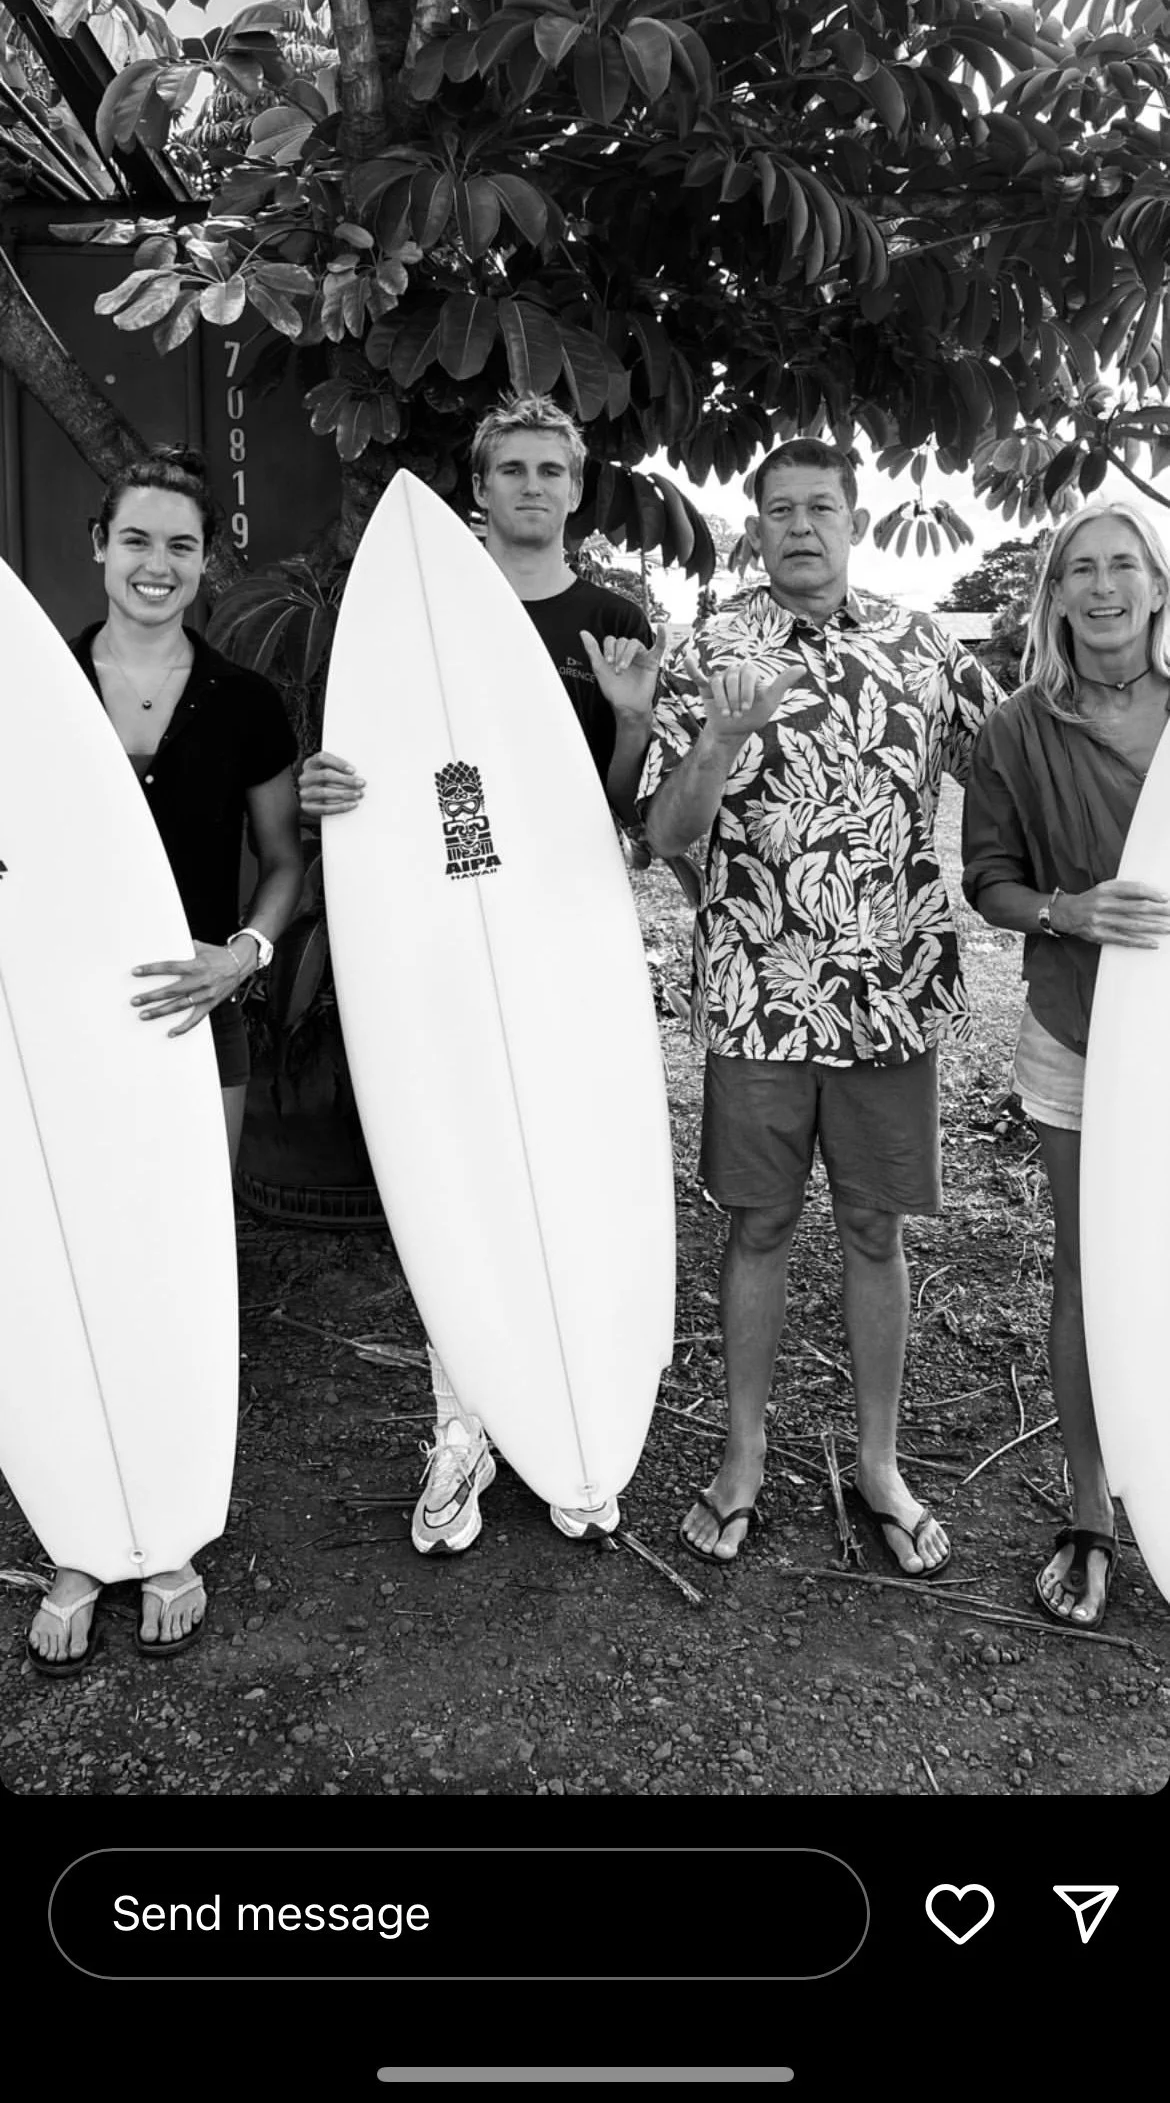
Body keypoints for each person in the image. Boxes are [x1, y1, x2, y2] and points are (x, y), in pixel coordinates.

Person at [300, 391, 666, 1552]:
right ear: (483, 484)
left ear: (577, 487)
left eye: (551, 470)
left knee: (571, 1159)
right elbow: (379, 785)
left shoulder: (610, 620)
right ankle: (462, 1425)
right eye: (512, 469)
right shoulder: (413, 615)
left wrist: (631, 725)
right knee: (453, 1163)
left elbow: (617, 819)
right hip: (436, 946)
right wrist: (328, 789)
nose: (532, 487)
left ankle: (573, 1407)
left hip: (566, 946)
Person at [639, 435, 1001, 1570]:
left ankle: (880, 1464)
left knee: (874, 1229)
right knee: (757, 1224)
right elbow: (666, 833)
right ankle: (742, 1453)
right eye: (781, 510)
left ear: (855, 520)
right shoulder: (711, 650)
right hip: (758, 992)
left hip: (890, 992)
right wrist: (720, 738)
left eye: (822, 508)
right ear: (756, 528)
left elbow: (1013, 767)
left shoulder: (923, 647)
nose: (802, 526)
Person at [26, 447, 303, 1673]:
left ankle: (172, 1525)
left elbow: (284, 864)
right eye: (136, 539)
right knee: (61, 1257)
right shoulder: (35, 689)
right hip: (52, 1023)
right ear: (100, 545)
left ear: (205, 563)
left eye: (181, 546)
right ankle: (83, 1537)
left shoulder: (245, 702)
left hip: (198, 1013)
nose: (157, 565)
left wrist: (244, 955)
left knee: (182, 1256)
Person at [962, 500, 1170, 1630]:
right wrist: (1067, 911)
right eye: (1079, 569)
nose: (1102, 587)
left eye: (1122, 565)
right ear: (1054, 596)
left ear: (1157, 585)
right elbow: (987, 879)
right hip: (1077, 1031)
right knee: (1091, 1271)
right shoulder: (1016, 730)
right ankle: (1093, 1514)